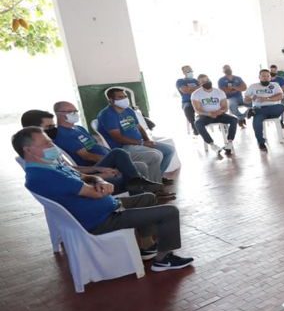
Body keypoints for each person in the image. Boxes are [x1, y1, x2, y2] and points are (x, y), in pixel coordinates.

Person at [14, 126, 193, 271]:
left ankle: (147, 248)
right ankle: (163, 260)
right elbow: (96, 193)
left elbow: (83, 178)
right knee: (170, 212)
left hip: (106, 208)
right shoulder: (45, 177)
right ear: (28, 149)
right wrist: (104, 187)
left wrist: (98, 178)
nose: (52, 145)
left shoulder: (48, 167)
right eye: (46, 143)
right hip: (103, 219)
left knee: (146, 197)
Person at [31, 107, 164, 197]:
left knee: (134, 165)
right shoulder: (41, 157)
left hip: (93, 170)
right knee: (119, 153)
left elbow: (71, 169)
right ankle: (142, 196)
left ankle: (144, 193)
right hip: (92, 182)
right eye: (48, 127)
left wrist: (100, 168)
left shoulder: (72, 132)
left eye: (53, 126)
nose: (53, 129)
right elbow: (73, 176)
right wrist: (100, 175)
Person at [96, 88, 175, 183]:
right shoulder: (107, 115)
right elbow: (118, 137)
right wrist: (142, 143)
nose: (124, 99)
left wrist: (147, 140)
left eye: (125, 96)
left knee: (169, 150)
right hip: (124, 147)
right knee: (156, 155)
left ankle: (155, 178)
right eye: (120, 97)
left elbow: (139, 127)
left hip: (139, 143)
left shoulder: (128, 110)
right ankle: (156, 186)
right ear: (111, 100)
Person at [190, 74, 237, 156]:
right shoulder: (196, 94)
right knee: (197, 123)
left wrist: (220, 111)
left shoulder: (219, 92)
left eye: (207, 80)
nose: (206, 82)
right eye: (203, 81)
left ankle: (229, 142)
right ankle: (212, 144)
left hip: (220, 114)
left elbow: (225, 107)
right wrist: (209, 113)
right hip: (205, 115)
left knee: (234, 119)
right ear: (199, 83)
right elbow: (197, 110)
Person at [243, 69, 284, 152]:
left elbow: (280, 96)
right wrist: (251, 98)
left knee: (281, 107)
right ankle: (261, 143)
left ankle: (254, 112)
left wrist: (266, 99)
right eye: (263, 76)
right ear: (259, 77)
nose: (265, 78)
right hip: (259, 108)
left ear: (270, 77)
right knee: (257, 122)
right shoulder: (253, 86)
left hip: (273, 109)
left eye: (267, 76)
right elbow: (245, 100)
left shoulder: (275, 85)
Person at [176, 66, 199, 135]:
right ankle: (195, 128)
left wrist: (190, 89)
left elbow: (203, 89)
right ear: (183, 72)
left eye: (191, 70)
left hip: (199, 100)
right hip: (187, 101)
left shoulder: (196, 81)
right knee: (187, 108)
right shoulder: (180, 81)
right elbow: (184, 90)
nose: (190, 72)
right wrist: (196, 88)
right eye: (188, 71)